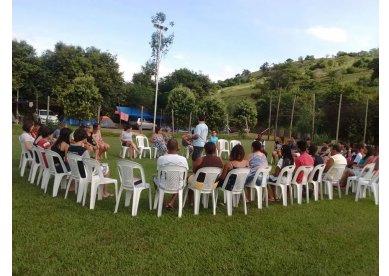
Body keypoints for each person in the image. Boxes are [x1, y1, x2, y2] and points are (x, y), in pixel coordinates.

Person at [68, 128, 111, 198]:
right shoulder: (83, 150)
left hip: (75, 171)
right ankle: (103, 192)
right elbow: (88, 165)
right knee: (106, 168)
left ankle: (96, 191)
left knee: (99, 166)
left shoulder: (69, 148)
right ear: (84, 139)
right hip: (84, 173)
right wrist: (96, 162)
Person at [153, 139, 189, 209]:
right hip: (178, 184)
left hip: (163, 184)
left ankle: (164, 201)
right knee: (180, 182)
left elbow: (159, 173)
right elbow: (185, 175)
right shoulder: (183, 159)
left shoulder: (161, 159)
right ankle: (171, 202)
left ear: (166, 147)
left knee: (155, 179)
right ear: (178, 147)